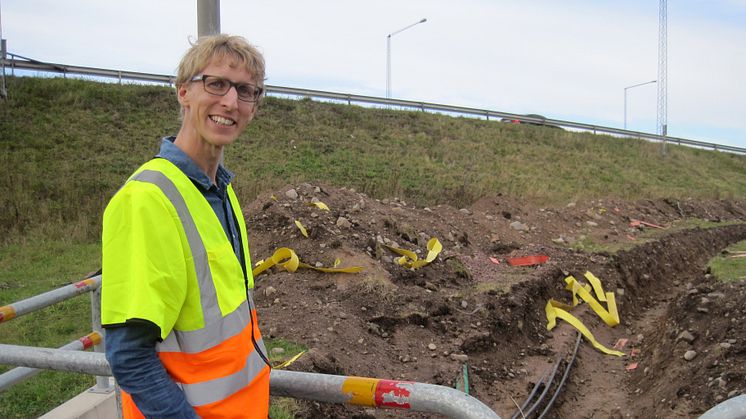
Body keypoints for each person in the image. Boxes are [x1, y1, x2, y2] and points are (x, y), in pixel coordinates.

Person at [101, 34, 270, 418]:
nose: (230, 101)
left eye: (246, 91)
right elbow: (129, 355)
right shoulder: (147, 199)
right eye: (216, 83)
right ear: (183, 92)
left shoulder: (221, 192)